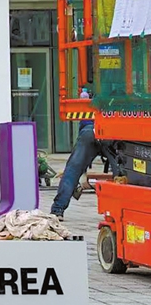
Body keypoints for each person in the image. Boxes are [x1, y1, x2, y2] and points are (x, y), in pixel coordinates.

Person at [51, 87, 102, 218]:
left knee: (72, 170)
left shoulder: (89, 100)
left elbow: (84, 126)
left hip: (90, 133)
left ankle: (57, 210)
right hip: (113, 134)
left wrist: (83, 170)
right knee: (123, 174)